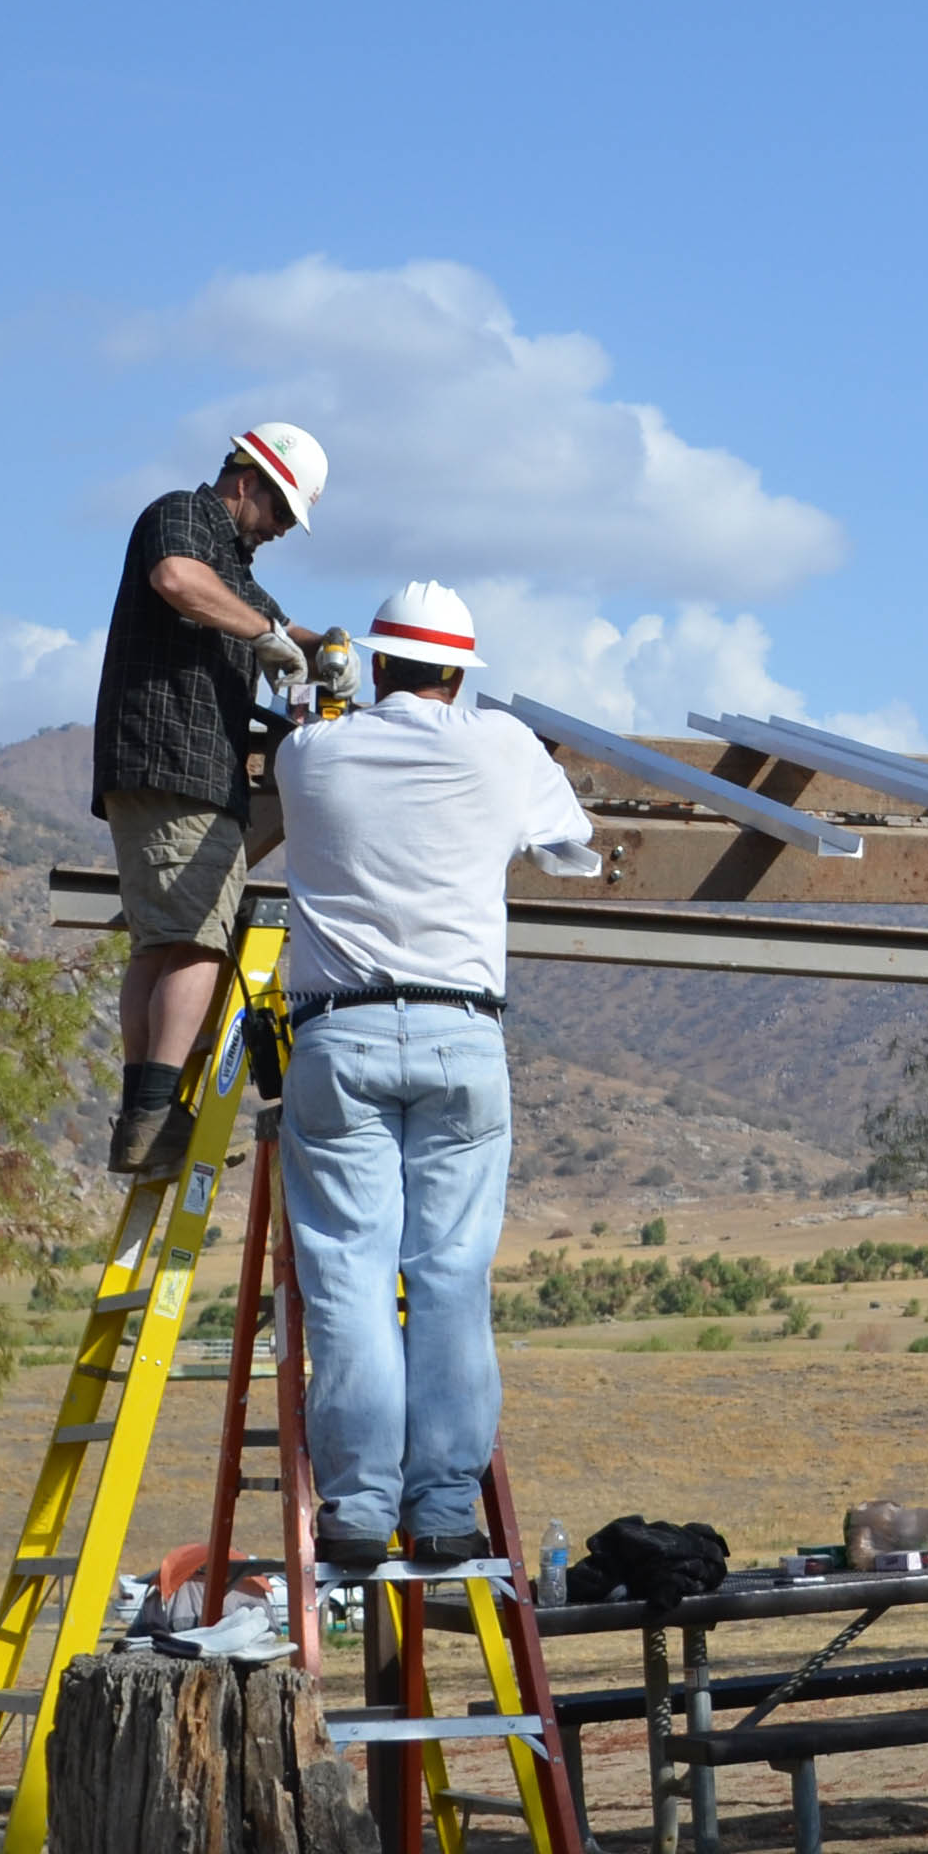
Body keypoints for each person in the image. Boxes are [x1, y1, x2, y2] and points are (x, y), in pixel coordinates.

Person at [265, 579, 599, 1574]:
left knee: (348, 1277)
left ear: (374, 664)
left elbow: (303, 754)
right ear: (457, 672)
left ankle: (359, 1512)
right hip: (460, 1034)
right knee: (448, 1279)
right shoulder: (500, 745)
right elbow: (571, 851)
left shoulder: (308, 752)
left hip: (341, 1033)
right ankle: (445, 1511)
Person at [88, 423, 331, 1172]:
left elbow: (279, 623)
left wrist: (329, 652)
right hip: (174, 762)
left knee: (164, 944)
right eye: (282, 512)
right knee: (195, 938)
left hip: (172, 768)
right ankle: (156, 1116)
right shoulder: (181, 516)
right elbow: (178, 582)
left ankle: (145, 1116)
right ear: (248, 481)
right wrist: (263, 634)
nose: (283, 530)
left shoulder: (234, 561)